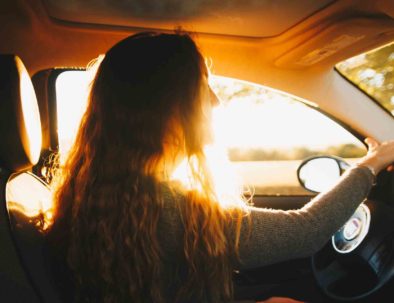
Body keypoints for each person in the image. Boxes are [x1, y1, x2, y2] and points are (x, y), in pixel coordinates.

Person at [45, 31, 394, 303]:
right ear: (167, 111)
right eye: (202, 88)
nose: (216, 100)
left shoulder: (92, 196)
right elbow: (307, 231)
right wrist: (374, 160)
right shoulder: (175, 212)